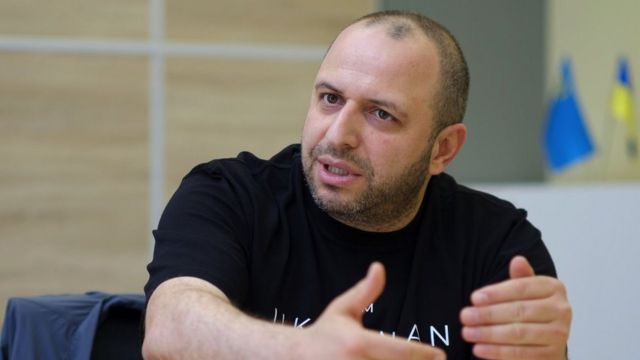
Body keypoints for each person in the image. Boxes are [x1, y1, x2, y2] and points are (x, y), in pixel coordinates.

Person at [143, 10, 572, 360]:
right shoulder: (229, 196)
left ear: (442, 148)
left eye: (380, 114)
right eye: (330, 99)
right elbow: (170, 329)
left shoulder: (495, 243)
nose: (337, 135)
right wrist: (300, 350)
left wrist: (543, 355)